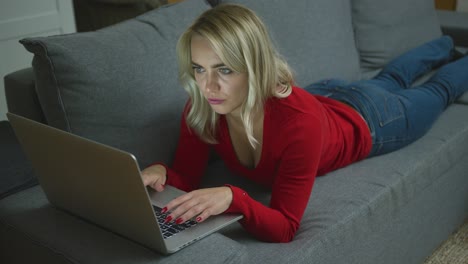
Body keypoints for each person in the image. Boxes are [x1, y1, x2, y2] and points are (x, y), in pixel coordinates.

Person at [141, 4, 468, 243]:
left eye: (224, 69)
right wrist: (162, 173)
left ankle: (449, 46)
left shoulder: (299, 126)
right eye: (199, 68)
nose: (208, 85)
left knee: (438, 90)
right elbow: (185, 176)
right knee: (391, 77)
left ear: (254, 67)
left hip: (373, 118)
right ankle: (443, 46)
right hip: (325, 94)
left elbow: (285, 226)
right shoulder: (203, 107)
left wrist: (233, 197)